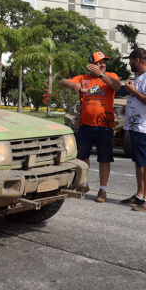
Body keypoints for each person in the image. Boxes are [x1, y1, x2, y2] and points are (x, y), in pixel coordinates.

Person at [58, 51, 122, 202]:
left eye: (104, 62)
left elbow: (117, 87)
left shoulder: (110, 76)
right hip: (85, 125)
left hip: (104, 125)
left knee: (104, 159)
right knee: (82, 157)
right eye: (99, 62)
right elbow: (62, 82)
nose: (103, 65)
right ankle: (84, 184)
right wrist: (72, 84)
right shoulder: (83, 78)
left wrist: (101, 75)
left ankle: (103, 190)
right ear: (91, 65)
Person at [120, 47, 146, 212]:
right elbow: (140, 99)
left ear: (137, 60)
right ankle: (139, 196)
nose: (129, 63)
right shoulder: (141, 77)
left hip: (145, 127)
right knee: (139, 162)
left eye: (130, 60)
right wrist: (130, 107)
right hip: (136, 126)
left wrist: (132, 92)